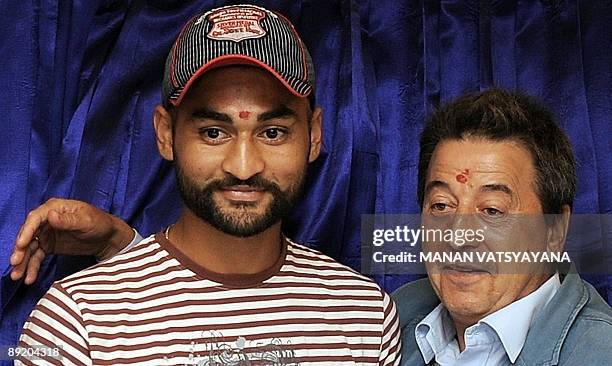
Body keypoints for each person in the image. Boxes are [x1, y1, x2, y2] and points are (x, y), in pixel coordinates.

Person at [15, 4, 401, 365]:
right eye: (214, 132)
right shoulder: (76, 321)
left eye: (273, 132)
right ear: (166, 134)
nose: (244, 166)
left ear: (314, 135)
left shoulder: (366, 317)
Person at [392, 89, 612, 365]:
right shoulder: (393, 318)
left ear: (555, 232)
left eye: (492, 210)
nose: (458, 236)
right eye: (441, 206)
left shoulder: (599, 352)